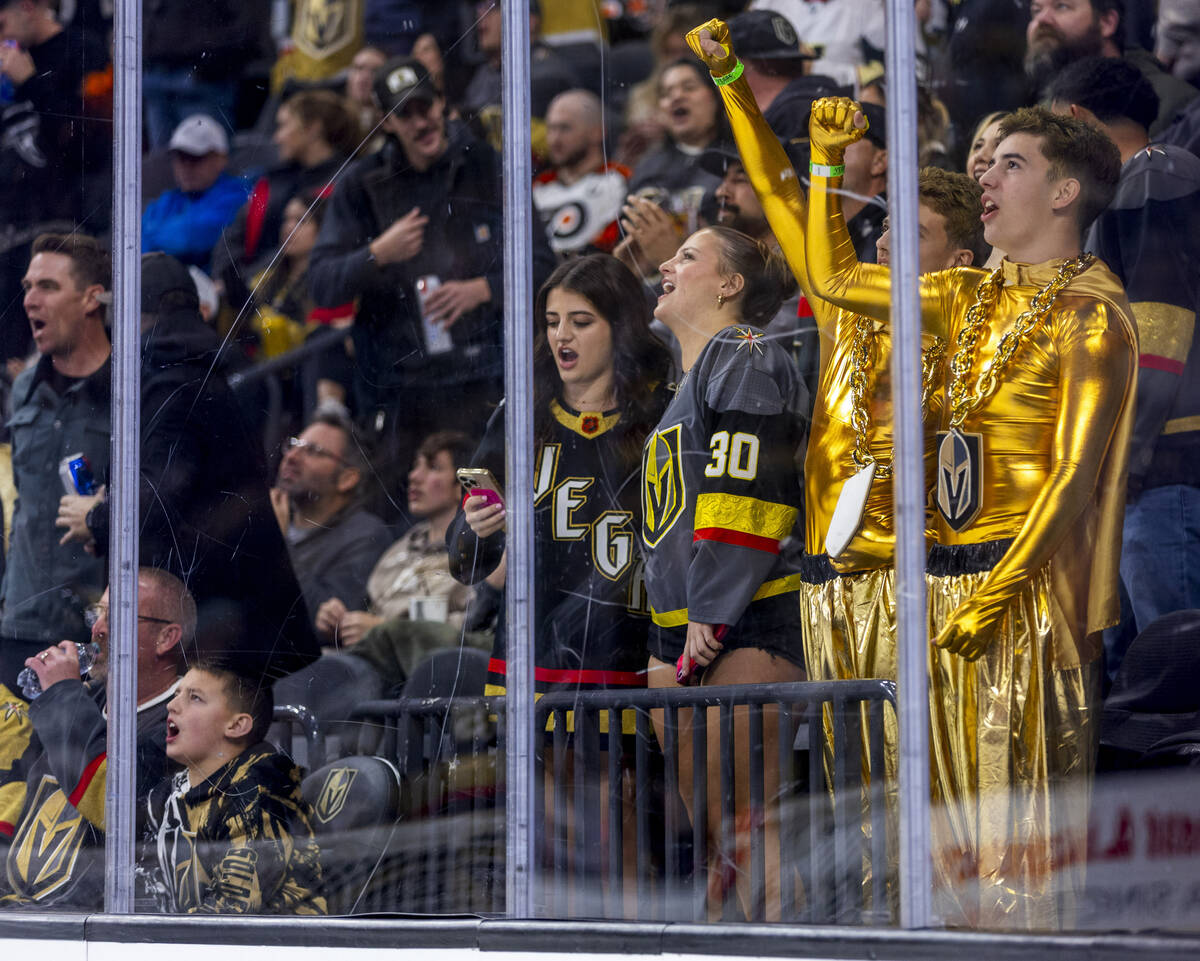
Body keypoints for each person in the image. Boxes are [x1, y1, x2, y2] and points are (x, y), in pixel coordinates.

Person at [805, 97, 1136, 929]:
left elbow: (1075, 475)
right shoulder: (964, 295)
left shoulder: (1090, 313)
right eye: (988, 165)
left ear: (1065, 194)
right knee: (926, 843)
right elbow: (836, 279)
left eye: (1011, 164)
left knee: (1009, 846)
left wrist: (995, 596)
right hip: (937, 590)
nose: (985, 175)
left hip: (1019, 600)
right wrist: (822, 166)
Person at [686, 17, 990, 917]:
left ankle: (953, 924)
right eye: (890, 226)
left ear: (963, 257)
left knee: (931, 785)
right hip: (829, 579)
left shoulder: (963, 311)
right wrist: (734, 80)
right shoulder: (846, 300)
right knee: (856, 794)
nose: (890, 241)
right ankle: (867, 923)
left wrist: (829, 167)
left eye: (917, 230)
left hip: (922, 576)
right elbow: (784, 192)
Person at [640, 223, 808, 920]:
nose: (664, 264)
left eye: (686, 255)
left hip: (742, 620)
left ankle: (785, 939)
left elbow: (748, 489)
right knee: (718, 840)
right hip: (683, 633)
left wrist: (710, 611)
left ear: (730, 284)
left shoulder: (742, 352)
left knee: (748, 824)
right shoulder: (687, 380)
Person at [55, 253, 321, 680]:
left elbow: (162, 492)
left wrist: (97, 518)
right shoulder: (198, 369)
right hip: (228, 608)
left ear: (132, 312)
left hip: (219, 620)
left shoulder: (172, 380)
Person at [309, 55, 554, 513]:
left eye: (426, 106)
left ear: (442, 103)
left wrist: (483, 290)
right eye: (405, 113)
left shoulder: (487, 166)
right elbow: (321, 284)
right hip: (400, 391)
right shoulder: (362, 186)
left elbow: (543, 263)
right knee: (404, 515)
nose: (421, 121)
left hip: (482, 381)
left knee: (487, 510)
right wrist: (378, 253)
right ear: (386, 123)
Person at [449, 253, 672, 731]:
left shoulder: (665, 414)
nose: (561, 336)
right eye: (552, 322)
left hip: (632, 648)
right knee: (543, 798)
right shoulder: (520, 415)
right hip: (533, 652)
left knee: (626, 797)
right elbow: (461, 558)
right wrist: (476, 528)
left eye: (581, 321)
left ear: (622, 326)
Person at [1048, 57, 1200, 666]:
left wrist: (1124, 456)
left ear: (1078, 119)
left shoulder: (1152, 175)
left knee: (1174, 683)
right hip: (1148, 474)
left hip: (1165, 470)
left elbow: (1161, 324)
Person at [0, 569, 193, 908]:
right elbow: (16, 796)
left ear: (166, 637)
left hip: (85, 928)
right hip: (19, 913)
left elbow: (114, 802)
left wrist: (61, 695)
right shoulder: (84, 701)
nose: (98, 629)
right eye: (97, 613)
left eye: (117, 616)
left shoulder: (180, 724)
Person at [0, 234, 110, 692]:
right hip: (20, 620)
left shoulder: (129, 390)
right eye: (27, 286)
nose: (29, 300)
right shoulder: (24, 386)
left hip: (90, 628)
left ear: (91, 298)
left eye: (46, 286)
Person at [313, 430, 496, 689]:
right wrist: (338, 620)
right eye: (415, 467)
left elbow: (475, 628)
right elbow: (369, 610)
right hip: (369, 670)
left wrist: (383, 629)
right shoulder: (400, 547)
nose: (414, 477)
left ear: (461, 486)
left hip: (424, 682)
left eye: (433, 468)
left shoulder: (479, 553)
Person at [145, 661, 326, 914]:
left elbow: (232, 913)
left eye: (195, 698)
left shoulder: (257, 797)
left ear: (236, 725)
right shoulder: (173, 791)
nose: (171, 705)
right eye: (177, 694)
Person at [0, 0, 110, 365]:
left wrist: (32, 83)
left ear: (28, 7)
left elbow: (88, 141)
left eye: (2, 24)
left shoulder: (84, 50)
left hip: (64, 225)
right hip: (11, 227)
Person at [213, 89, 360, 317]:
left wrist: (248, 280)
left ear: (312, 129)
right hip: (248, 293)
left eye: (284, 126)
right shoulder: (274, 179)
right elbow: (233, 235)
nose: (277, 137)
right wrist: (226, 275)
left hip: (303, 302)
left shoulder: (344, 182)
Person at [272, 411, 392, 628]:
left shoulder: (366, 536)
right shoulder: (277, 518)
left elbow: (325, 626)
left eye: (313, 451)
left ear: (347, 478)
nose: (291, 457)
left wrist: (279, 544)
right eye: (293, 445)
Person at [1024, 0, 1197, 136]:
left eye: (1061, 6)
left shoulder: (1172, 101)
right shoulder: (1042, 114)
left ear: (1107, 22)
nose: (1042, 20)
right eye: (1036, 10)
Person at [142, 114, 251, 272]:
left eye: (195, 158)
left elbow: (190, 238)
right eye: (180, 158)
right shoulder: (169, 199)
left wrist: (155, 236)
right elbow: (138, 242)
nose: (185, 167)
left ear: (220, 158)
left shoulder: (237, 194)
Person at [533, 89, 631, 256]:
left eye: (565, 128)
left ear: (597, 132)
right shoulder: (538, 187)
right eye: (551, 128)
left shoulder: (620, 181)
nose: (555, 139)